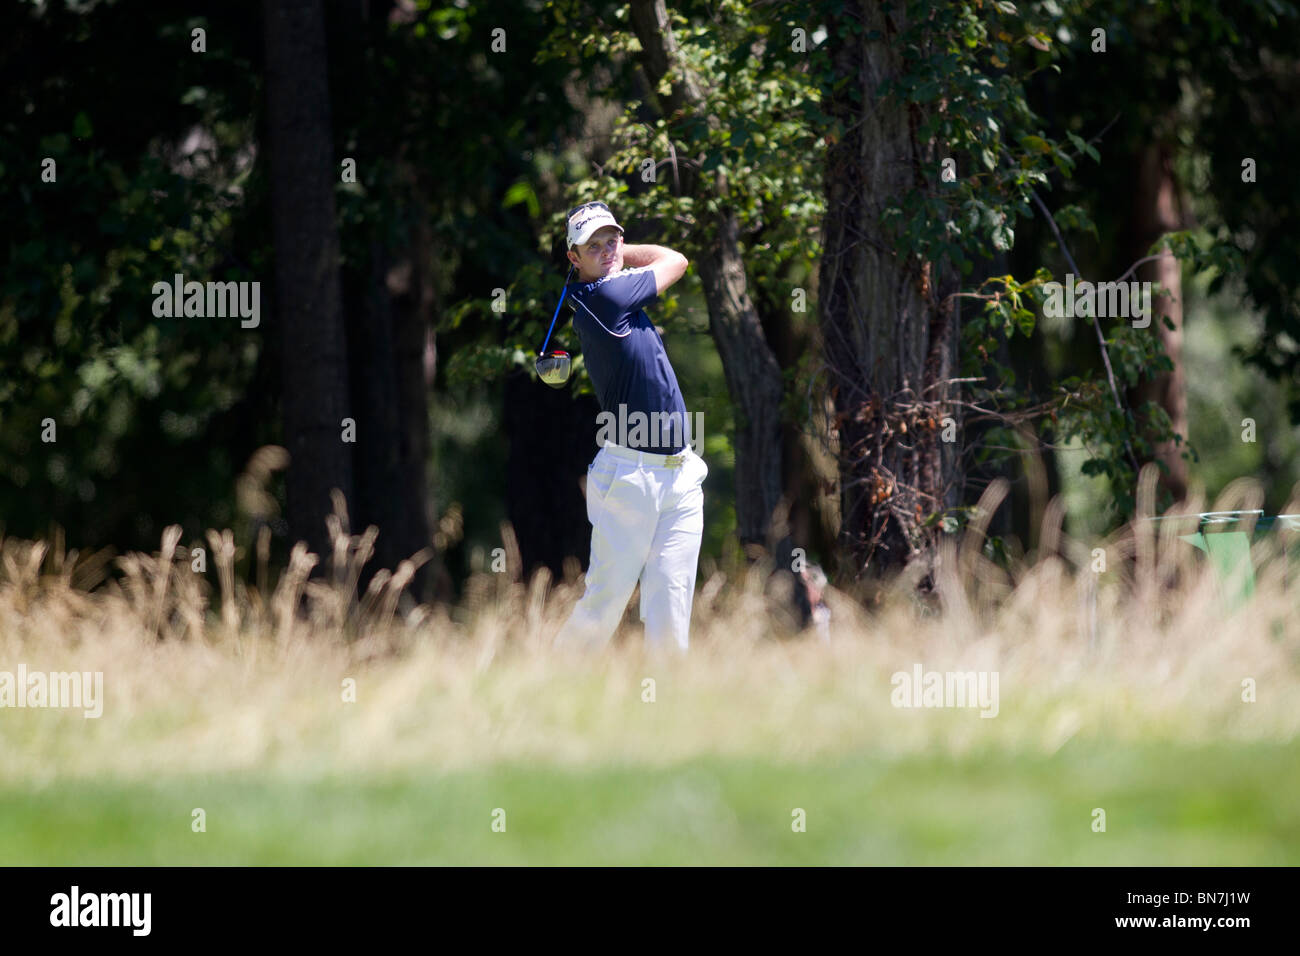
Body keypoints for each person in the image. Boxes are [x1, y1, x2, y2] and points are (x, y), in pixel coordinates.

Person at [555, 200, 706, 652]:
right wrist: (622, 253)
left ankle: (668, 714)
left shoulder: (601, 287)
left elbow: (620, 261)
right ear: (573, 258)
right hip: (632, 477)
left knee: (671, 605)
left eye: (611, 240)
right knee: (605, 601)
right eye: (592, 246)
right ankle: (545, 689)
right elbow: (676, 260)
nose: (606, 251)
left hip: (681, 474)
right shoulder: (608, 295)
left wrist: (612, 253)